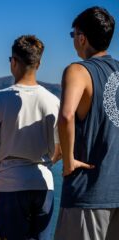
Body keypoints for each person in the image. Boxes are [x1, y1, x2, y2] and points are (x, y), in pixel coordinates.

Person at [0, 35, 61, 240]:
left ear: (13, 62)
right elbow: (59, 150)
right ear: (39, 64)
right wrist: (46, 163)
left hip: (9, 182)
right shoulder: (53, 101)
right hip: (43, 183)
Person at [55, 6, 118, 240]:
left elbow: (66, 116)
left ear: (82, 38)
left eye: (73, 35)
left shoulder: (78, 71)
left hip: (88, 193)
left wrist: (68, 160)